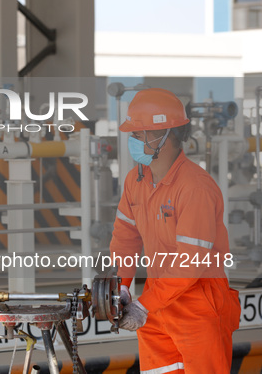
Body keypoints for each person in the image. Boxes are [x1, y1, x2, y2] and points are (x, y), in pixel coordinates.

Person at [110, 88, 241, 373]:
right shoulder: (136, 180)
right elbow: (125, 238)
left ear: (165, 136)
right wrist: (121, 286)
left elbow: (191, 262)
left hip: (200, 303)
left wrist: (143, 306)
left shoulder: (195, 187)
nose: (133, 140)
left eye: (139, 133)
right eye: (132, 133)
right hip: (156, 300)